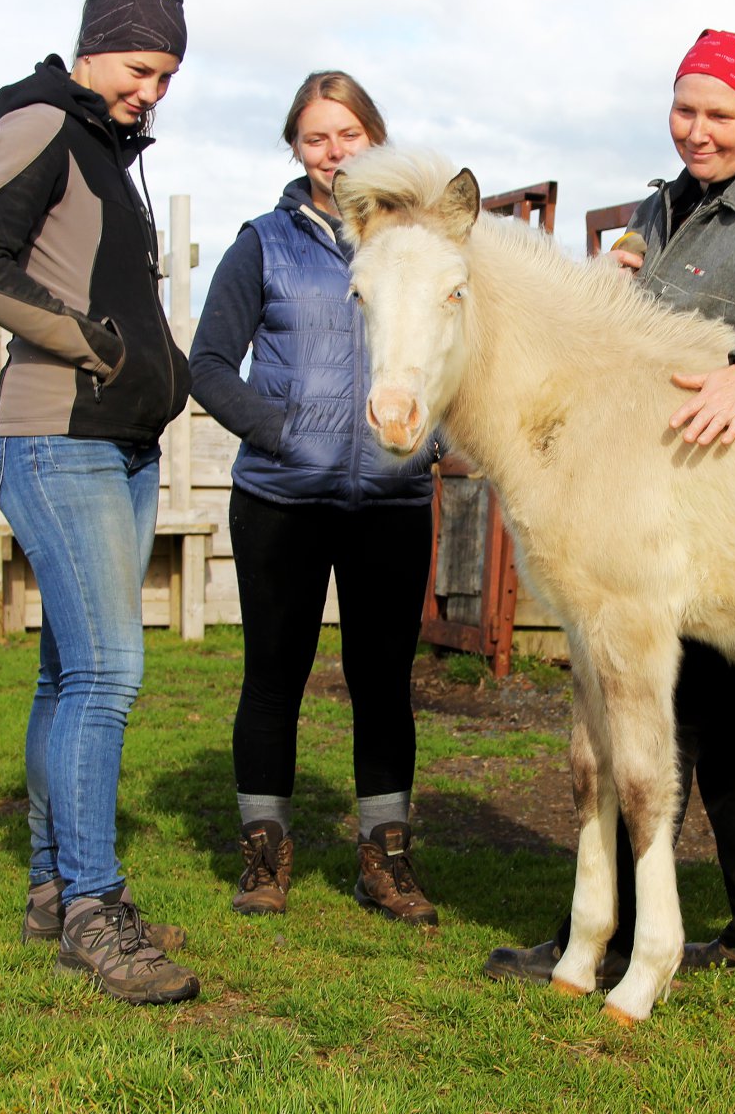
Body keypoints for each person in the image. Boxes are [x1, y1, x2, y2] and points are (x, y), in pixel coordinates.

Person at [485, 28, 735, 984]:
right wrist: (611, 284)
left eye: (720, 114)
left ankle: (617, 936)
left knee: (655, 717)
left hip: (728, 503)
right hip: (652, 500)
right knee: (723, 713)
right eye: (684, 109)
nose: (697, 131)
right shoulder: (666, 205)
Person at [0, 0, 198, 1004]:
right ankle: (96, 910)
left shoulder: (105, 147)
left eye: (167, 76)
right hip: (59, 439)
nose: (152, 91)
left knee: (67, 675)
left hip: (117, 443)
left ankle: (55, 890)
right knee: (107, 674)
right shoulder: (44, 120)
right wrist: (97, 346)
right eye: (141, 68)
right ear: (95, 48)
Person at [188, 71, 439, 927]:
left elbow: (461, 345)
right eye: (315, 137)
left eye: (349, 134)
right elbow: (209, 364)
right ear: (296, 148)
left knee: (384, 683)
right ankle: (264, 858)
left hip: (392, 500)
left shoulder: (422, 246)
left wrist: (434, 434)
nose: (334, 152)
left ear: (377, 138)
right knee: (273, 678)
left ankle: (386, 862)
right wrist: (280, 431)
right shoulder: (262, 245)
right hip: (281, 502)